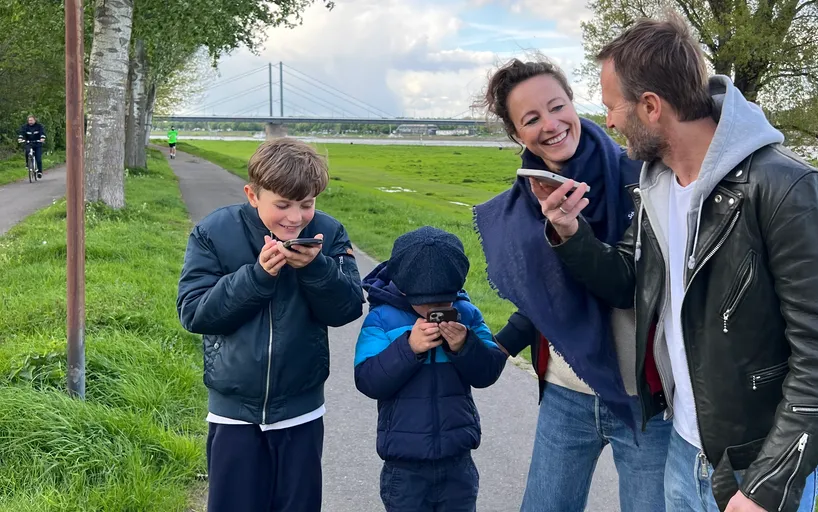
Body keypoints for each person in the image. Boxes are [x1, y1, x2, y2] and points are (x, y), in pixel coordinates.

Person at [534, 14, 818, 512]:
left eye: (611, 107)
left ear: (650, 107)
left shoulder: (790, 190)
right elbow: (628, 284)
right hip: (681, 447)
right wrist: (569, 232)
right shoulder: (654, 186)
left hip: (752, 465)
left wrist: (767, 486)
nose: (608, 122)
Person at [473, 58, 672, 512]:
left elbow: (628, 288)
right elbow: (546, 294)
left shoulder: (640, 178)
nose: (550, 124)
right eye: (531, 119)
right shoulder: (529, 198)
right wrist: (500, 346)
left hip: (645, 401)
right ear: (516, 133)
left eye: (556, 106)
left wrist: (570, 232)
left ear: (573, 103)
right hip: (566, 393)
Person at [176, 137, 366, 511]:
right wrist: (258, 276)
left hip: (301, 409)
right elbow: (194, 312)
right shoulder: (214, 232)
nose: (295, 218)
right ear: (252, 194)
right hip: (233, 411)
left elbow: (346, 308)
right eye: (282, 204)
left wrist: (317, 268)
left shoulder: (328, 233)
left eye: (306, 204)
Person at [354, 226, 507, 512]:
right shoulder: (382, 318)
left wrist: (465, 345)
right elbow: (367, 380)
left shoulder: (468, 315)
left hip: (457, 460)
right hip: (404, 465)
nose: (438, 310)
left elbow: (488, 371)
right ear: (403, 287)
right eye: (428, 304)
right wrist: (408, 348)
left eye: (445, 302)